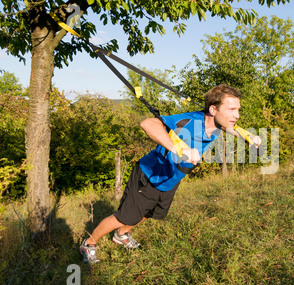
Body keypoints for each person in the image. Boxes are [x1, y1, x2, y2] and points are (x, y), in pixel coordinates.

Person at [79, 84, 260, 264]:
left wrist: (247, 136)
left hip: (170, 179)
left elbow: (231, 126)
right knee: (124, 217)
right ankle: (89, 243)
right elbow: (147, 124)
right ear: (213, 109)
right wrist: (181, 149)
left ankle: (121, 235)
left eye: (237, 109)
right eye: (231, 109)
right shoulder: (190, 121)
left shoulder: (218, 123)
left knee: (149, 212)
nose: (237, 115)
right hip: (150, 175)